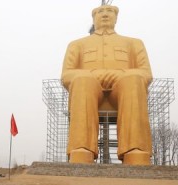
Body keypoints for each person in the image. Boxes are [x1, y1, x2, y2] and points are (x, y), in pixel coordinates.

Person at [61, 5, 153, 165]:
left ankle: (134, 149)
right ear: (93, 18)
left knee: (133, 78)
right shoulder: (77, 45)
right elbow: (66, 75)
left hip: (122, 90)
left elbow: (146, 73)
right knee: (82, 80)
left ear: (116, 18)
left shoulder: (133, 43)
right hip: (90, 90)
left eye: (110, 11)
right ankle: (83, 148)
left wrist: (123, 74)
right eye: (99, 12)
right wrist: (91, 74)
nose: (104, 14)